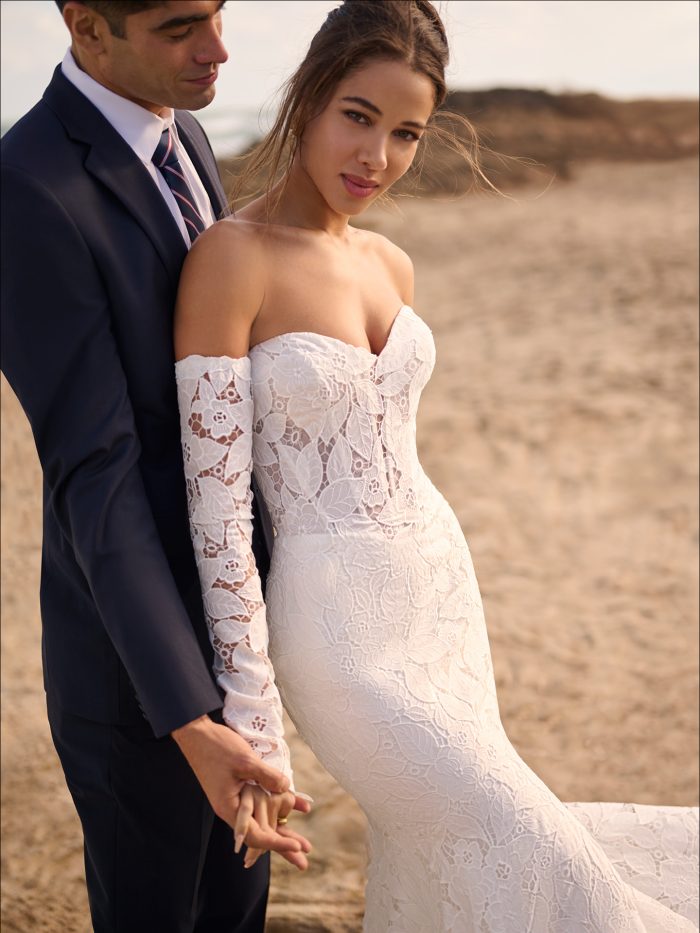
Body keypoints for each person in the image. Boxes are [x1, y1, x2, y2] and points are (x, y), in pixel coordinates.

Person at [173, 1, 700, 930]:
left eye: (407, 132)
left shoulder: (391, 264)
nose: (377, 157)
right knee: (514, 831)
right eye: (358, 116)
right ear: (307, 98)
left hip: (441, 597)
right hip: (336, 631)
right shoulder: (231, 259)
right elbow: (215, 509)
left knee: (455, 849)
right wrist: (253, 711)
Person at [0, 2, 311, 931]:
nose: (217, 50)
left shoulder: (185, 137)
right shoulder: (27, 187)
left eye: (219, 13)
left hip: (236, 641)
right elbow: (94, 473)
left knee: (237, 916)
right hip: (139, 684)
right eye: (181, 26)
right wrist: (188, 719)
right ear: (88, 26)